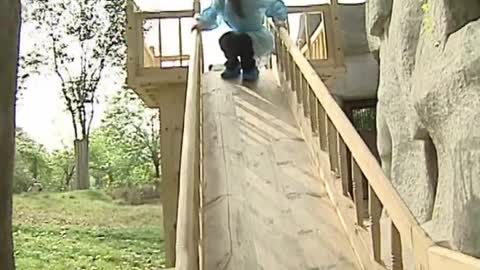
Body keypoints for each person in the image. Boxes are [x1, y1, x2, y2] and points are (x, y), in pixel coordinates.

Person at [192, 0, 288, 81]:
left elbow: (274, 4)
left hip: (257, 36)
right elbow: (213, 12)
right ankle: (233, 65)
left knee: (243, 42)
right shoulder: (223, 1)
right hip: (239, 35)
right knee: (225, 40)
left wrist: (279, 19)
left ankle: (249, 68)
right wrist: (202, 23)